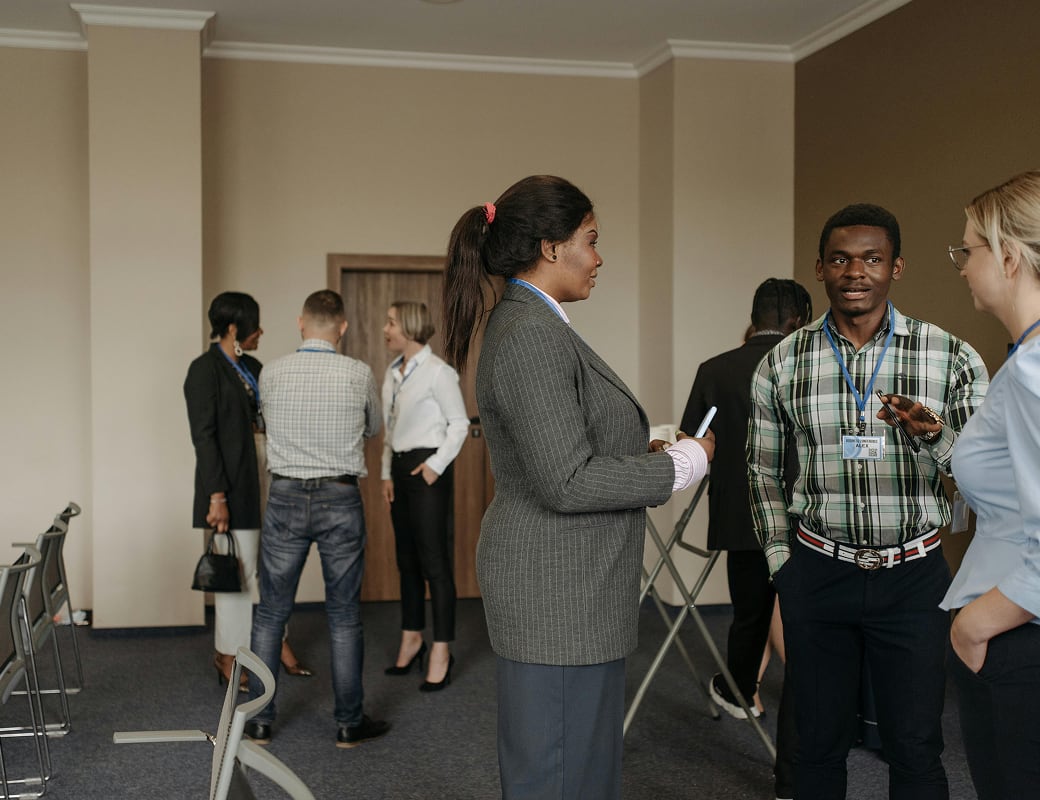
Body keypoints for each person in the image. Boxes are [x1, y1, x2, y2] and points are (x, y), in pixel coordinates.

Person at [442, 175, 715, 800]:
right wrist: (682, 464)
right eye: (590, 240)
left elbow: (565, 449)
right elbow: (566, 481)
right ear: (550, 246)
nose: (598, 257)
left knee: (580, 768)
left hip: (571, 589)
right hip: (557, 592)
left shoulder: (538, 324)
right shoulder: (531, 333)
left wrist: (642, 453)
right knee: (560, 774)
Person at [748, 203, 989, 799]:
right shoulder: (782, 361)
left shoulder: (950, 356)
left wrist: (934, 435)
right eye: (840, 259)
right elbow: (762, 471)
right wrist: (782, 564)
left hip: (912, 577)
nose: (855, 272)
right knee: (816, 746)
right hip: (817, 573)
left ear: (896, 267)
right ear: (820, 268)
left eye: (872, 259)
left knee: (915, 745)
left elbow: (985, 479)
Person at [680, 277, 811, 799]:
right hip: (807, 516)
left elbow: (693, 441)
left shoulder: (715, 369)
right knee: (807, 627)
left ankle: (739, 689)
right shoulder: (810, 363)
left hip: (742, 515)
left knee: (750, 614)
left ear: (753, 318)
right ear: (799, 320)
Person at [244, 289, 388, 749]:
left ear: (301, 323)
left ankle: (259, 721)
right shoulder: (358, 372)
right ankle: (348, 724)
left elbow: (264, 422)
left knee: (271, 613)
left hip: (285, 496)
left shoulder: (271, 372)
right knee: (344, 615)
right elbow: (373, 428)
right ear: (342, 327)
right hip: (339, 496)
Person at [941, 170, 1040, 800]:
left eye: (968, 250)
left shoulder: (1032, 370)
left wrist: (974, 627)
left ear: (1009, 257)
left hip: (1015, 635)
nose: (961, 267)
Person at [184, 293, 310, 687]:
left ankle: (278, 640)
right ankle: (228, 654)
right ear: (234, 328)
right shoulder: (204, 370)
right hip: (231, 484)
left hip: (268, 477)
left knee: (274, 566)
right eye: (255, 326)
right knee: (237, 573)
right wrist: (216, 496)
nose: (261, 332)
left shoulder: (253, 367)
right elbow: (204, 438)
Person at [380, 301, 469, 690]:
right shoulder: (392, 372)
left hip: (428, 469)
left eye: (391, 323)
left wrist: (435, 466)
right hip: (399, 470)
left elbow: (459, 424)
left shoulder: (438, 372)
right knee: (407, 560)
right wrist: (386, 473)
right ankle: (412, 637)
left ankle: (442, 649)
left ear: (410, 327)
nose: (385, 329)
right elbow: (390, 429)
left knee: (434, 562)